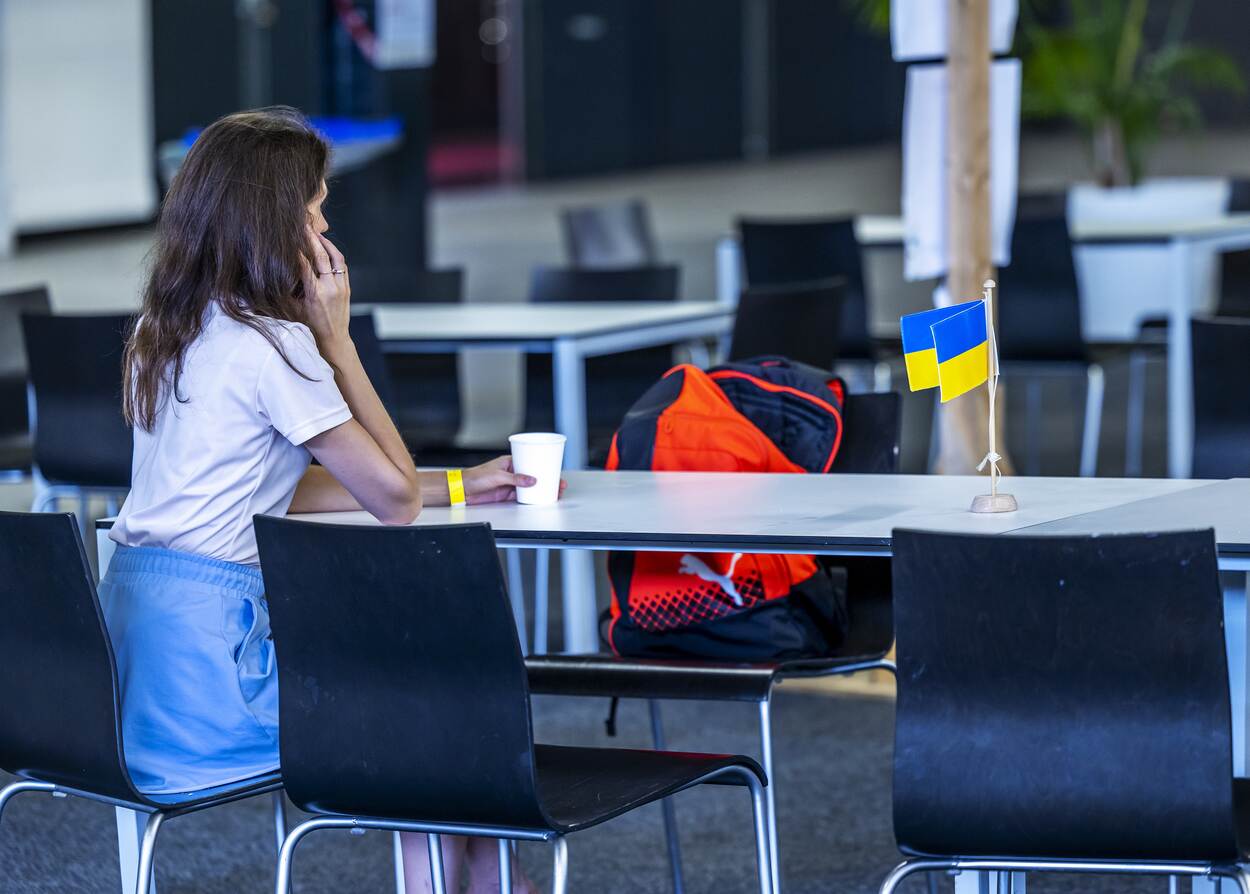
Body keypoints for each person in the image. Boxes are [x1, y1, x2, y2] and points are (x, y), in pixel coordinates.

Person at [101, 106, 543, 893]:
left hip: (132, 682)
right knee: (436, 702)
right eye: (314, 206)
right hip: (217, 683)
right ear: (277, 223)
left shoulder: (160, 332)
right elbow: (395, 500)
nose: (326, 220)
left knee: (425, 695)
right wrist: (337, 341)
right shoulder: (276, 345)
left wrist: (457, 484)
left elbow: (266, 487)